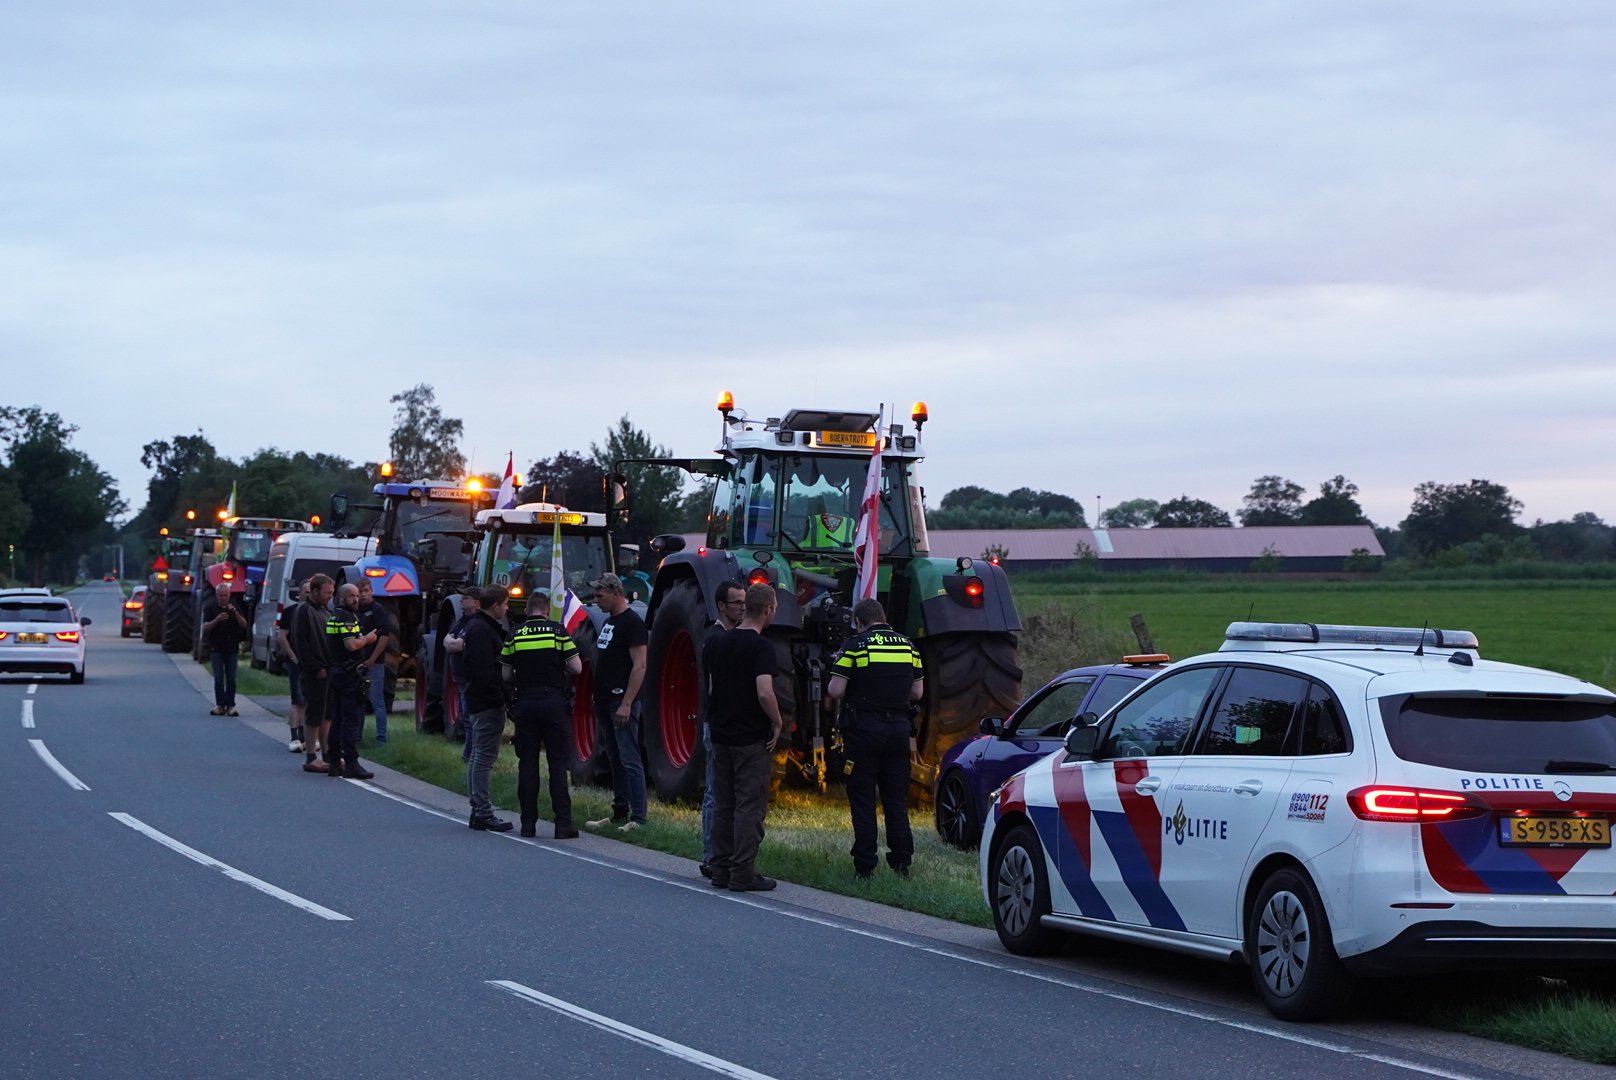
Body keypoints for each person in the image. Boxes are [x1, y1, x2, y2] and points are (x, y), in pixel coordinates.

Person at [826, 597, 925, 879]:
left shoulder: (854, 646)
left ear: (859, 621)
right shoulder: (908, 646)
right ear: (883, 617)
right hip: (898, 731)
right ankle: (902, 863)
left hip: (864, 731)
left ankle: (865, 865)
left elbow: (835, 690)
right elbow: (917, 693)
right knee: (896, 800)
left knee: (863, 798)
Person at [703, 582, 783, 891]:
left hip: (721, 733)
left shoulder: (716, 643)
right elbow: (764, 691)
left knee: (723, 803)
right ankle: (742, 872)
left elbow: (711, 688)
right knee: (748, 805)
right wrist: (776, 722)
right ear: (768, 610)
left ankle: (720, 868)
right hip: (750, 737)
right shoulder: (761, 647)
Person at [501, 588, 583, 838]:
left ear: (527, 611)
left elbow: (505, 675)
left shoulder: (514, 635)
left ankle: (528, 825)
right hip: (553, 702)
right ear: (547, 611)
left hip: (525, 703)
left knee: (527, 764)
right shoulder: (558, 631)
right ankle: (563, 824)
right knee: (557, 763)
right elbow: (577, 668)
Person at [584, 573, 649, 832]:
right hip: (604, 699)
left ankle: (639, 817)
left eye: (600, 595)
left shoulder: (632, 623)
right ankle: (620, 811)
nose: (596, 601)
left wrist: (627, 702)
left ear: (614, 592)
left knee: (629, 756)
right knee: (615, 757)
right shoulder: (611, 622)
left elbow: (640, 666)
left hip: (620, 701)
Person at [698, 579, 747, 878]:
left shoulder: (733, 636)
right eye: (736, 603)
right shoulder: (715, 638)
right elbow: (715, 687)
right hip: (716, 724)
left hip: (727, 724)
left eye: (744, 602)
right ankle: (709, 855)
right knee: (715, 793)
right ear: (720, 606)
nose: (742, 607)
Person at [461, 584, 513, 832]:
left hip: (479, 699)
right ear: (494, 606)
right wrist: (499, 699)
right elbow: (485, 671)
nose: (507, 608)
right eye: (505, 604)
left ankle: (478, 809)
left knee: (478, 756)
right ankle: (482, 811)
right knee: (484, 757)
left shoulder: (478, 626)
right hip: (486, 702)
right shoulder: (482, 630)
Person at [324, 584, 379, 780]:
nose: (356, 599)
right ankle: (351, 763)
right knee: (350, 720)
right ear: (341, 597)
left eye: (357, 595)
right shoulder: (346, 618)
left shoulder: (334, 616)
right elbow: (351, 644)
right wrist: (368, 639)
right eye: (351, 596)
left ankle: (333, 762)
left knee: (337, 719)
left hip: (337, 671)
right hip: (348, 675)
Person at [289, 574, 336, 773]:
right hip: (315, 672)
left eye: (332, 593)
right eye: (327, 593)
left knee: (327, 714)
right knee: (314, 714)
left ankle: (327, 754)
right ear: (315, 591)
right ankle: (310, 757)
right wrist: (316, 668)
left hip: (328, 670)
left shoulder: (325, 611)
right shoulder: (304, 611)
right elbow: (302, 643)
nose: (330, 597)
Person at [354, 580, 396, 744]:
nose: (363, 594)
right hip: (357, 664)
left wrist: (372, 660)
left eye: (365, 591)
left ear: (371, 591)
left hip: (374, 663)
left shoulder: (377, 610)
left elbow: (384, 637)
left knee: (376, 700)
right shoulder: (355, 611)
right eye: (360, 592)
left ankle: (381, 739)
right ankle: (357, 737)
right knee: (359, 701)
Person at [442, 588, 481, 762]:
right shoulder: (462, 621)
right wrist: (453, 642)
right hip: (459, 676)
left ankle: (469, 756)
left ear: (476, 602)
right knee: (465, 717)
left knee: (469, 718)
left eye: (466, 597)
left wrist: (453, 643)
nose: (461, 600)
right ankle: (468, 754)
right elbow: (447, 640)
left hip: (468, 677)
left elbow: (457, 645)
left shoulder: (475, 622)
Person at [202, 583, 249, 716]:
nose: (223, 598)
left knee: (231, 678)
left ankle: (230, 705)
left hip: (231, 648)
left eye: (225, 595)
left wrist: (235, 613)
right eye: (221, 595)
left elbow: (244, 625)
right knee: (218, 678)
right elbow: (205, 627)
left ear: (229, 595)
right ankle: (220, 705)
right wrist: (216, 620)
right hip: (216, 648)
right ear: (217, 596)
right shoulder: (210, 607)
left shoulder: (234, 607)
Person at [277, 580, 308, 753]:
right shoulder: (290, 612)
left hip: (310, 662)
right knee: (297, 698)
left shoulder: (316, 612)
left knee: (308, 700)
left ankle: (305, 735)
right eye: (305, 592)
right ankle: (294, 736)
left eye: (311, 591)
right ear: (299, 594)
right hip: (296, 661)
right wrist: (293, 656)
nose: (308, 595)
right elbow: (282, 637)